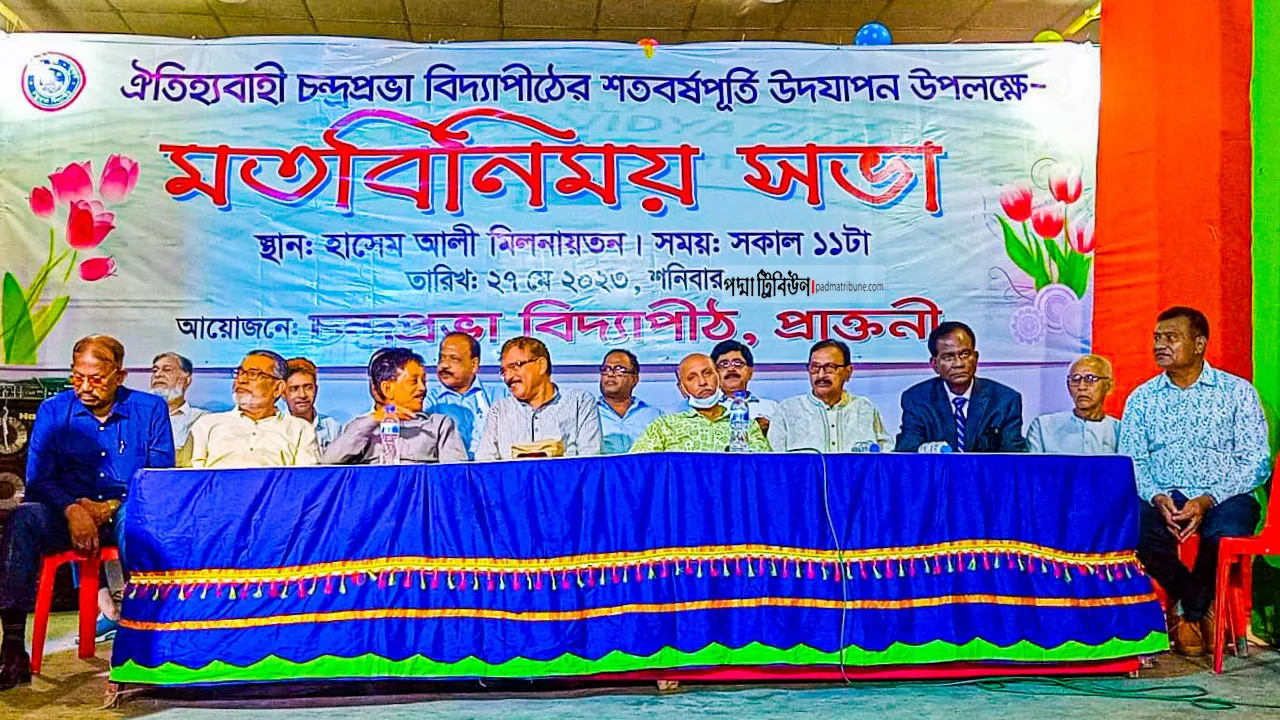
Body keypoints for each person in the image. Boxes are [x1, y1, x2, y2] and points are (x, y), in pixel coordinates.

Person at [0, 335, 174, 689]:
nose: (84, 387)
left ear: (120, 376)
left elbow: (158, 478)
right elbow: (38, 480)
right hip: (67, 513)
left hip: (126, 508)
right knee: (23, 519)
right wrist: (72, 509)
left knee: (134, 522)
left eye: (95, 379)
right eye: (77, 377)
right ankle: (13, 649)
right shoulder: (54, 410)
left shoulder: (150, 409)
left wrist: (109, 506)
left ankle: (141, 638)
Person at [1119, 307, 1270, 655]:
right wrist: (1156, 497)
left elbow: (1256, 460)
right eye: (1157, 338)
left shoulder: (1237, 392)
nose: (1160, 345)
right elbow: (1131, 460)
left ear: (1199, 344)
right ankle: (1196, 601)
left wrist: (1208, 498)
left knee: (1224, 532)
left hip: (1224, 494)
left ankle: (1190, 612)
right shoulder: (1142, 398)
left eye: (1171, 338)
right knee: (1133, 529)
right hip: (1163, 495)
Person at [896, 321, 1027, 453]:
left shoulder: (1005, 400)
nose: (958, 364)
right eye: (948, 357)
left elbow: (1014, 458)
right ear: (935, 364)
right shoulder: (917, 399)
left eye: (965, 354)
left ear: (975, 358)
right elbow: (907, 452)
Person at [323, 348, 468, 465]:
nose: (422, 388)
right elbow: (329, 461)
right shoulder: (363, 426)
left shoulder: (439, 425)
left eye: (424, 381)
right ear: (387, 389)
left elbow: (456, 475)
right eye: (414, 382)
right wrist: (375, 419)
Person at [182, 350, 321, 469]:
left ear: (278, 388)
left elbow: (304, 481)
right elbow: (190, 479)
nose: (241, 380)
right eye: (240, 373)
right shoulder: (206, 425)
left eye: (253, 374)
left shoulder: (300, 429)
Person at [475, 337, 602, 460]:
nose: (508, 377)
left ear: (541, 365)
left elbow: (590, 460)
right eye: (504, 372)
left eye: (514, 367)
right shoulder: (499, 410)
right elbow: (485, 463)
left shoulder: (580, 402)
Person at [631, 353, 770, 452]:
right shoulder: (664, 427)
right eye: (692, 378)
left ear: (718, 377)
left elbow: (765, 469)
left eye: (707, 373)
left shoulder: (747, 425)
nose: (702, 382)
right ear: (682, 389)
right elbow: (638, 468)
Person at [772, 340, 893, 452]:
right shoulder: (787, 410)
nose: (821, 375)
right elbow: (773, 460)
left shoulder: (864, 408)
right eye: (815, 367)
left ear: (848, 371)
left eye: (829, 368)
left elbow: (886, 454)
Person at [426, 332, 509, 459]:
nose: (444, 365)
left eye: (454, 359)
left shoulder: (500, 397)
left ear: (473, 364)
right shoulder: (428, 401)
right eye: (442, 358)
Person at [1026, 355, 1121, 454]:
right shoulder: (1043, 427)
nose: (1081, 387)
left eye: (1090, 379)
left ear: (1109, 386)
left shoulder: (1120, 431)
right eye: (1075, 379)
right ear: (1068, 386)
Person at [597, 349, 661, 454]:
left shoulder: (655, 416)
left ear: (634, 379)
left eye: (619, 369)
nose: (610, 374)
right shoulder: (589, 415)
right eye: (606, 369)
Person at [709, 339, 778, 434]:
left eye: (738, 363)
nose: (731, 369)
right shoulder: (706, 408)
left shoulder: (771, 407)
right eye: (724, 364)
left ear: (750, 371)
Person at [150, 351, 207, 451]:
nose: (158, 375)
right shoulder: (137, 415)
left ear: (186, 380)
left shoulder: (201, 419)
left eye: (167, 370)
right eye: (155, 370)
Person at [284, 357, 341, 452]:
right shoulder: (274, 429)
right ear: (282, 393)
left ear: (316, 390)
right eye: (294, 389)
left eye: (308, 387)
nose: (302, 395)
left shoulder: (332, 427)